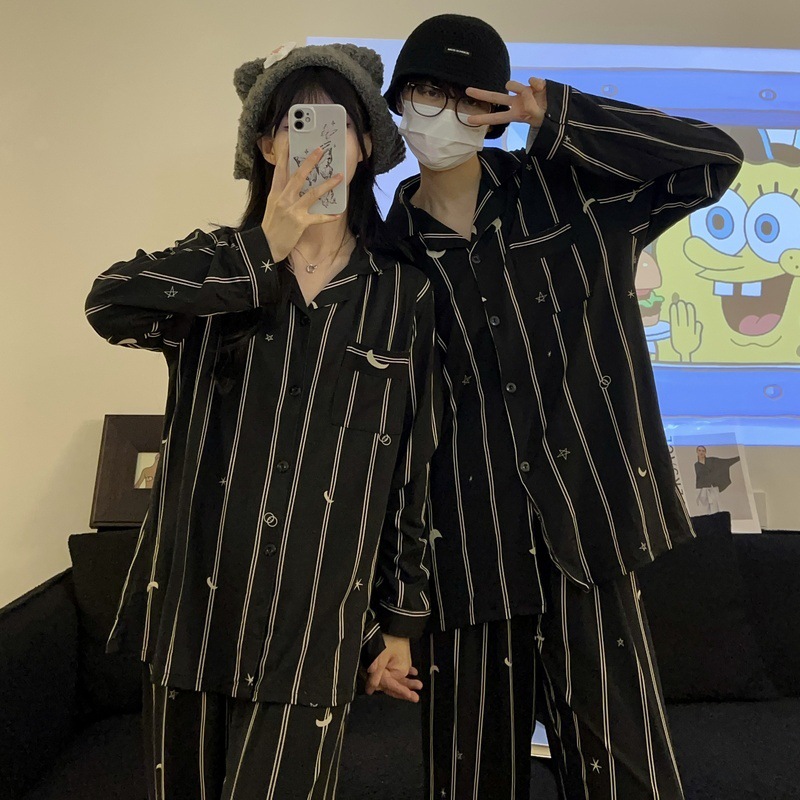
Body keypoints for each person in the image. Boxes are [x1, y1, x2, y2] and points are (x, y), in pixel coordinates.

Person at [383, 14, 744, 800]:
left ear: (494, 109)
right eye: (425, 91)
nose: (442, 112)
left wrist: (562, 118)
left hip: (588, 540)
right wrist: (398, 606)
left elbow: (713, 160)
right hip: (464, 561)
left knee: (628, 782)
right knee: (469, 784)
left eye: (465, 96)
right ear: (398, 101)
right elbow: (394, 440)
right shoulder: (386, 262)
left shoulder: (571, 194)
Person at [85, 42, 439, 800]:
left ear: (366, 145)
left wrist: (399, 624)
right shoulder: (215, 263)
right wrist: (262, 250)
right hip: (193, 620)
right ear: (267, 145)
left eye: (338, 125)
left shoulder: (403, 295)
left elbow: (411, 471)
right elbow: (107, 304)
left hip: (313, 631)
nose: (318, 143)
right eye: (296, 124)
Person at [694, 445, 741, 514]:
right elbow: (698, 477)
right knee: (705, 509)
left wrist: (739, 458)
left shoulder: (711, 460)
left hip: (713, 488)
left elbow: (725, 462)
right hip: (703, 489)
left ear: (705, 452)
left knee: (715, 508)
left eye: (703, 451)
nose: (701, 452)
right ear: (697, 452)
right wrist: (698, 490)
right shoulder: (696, 465)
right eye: (699, 450)